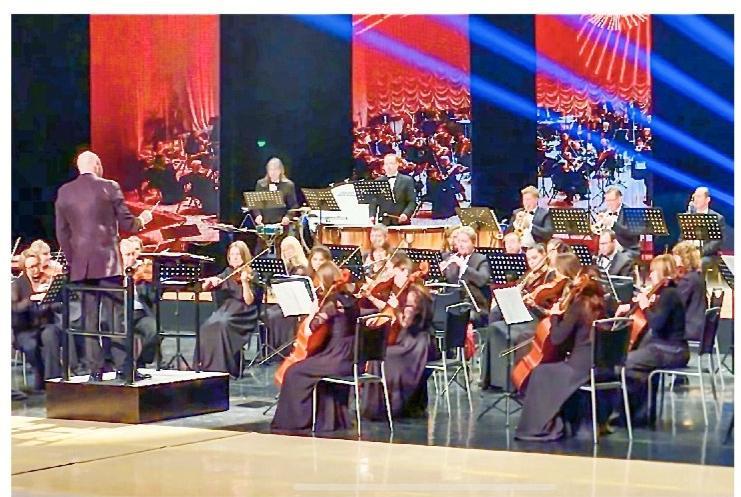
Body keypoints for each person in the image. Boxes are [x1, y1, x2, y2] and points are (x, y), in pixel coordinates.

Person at [55, 150, 153, 382]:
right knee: (116, 317)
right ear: (97, 165)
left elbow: (62, 233)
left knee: (89, 320)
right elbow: (127, 223)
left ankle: (95, 371)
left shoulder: (65, 191)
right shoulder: (110, 186)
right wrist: (143, 220)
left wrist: (74, 261)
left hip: (82, 267)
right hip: (108, 264)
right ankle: (124, 369)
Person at [515, 272, 606, 441]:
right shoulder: (601, 305)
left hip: (578, 369)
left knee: (540, 372)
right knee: (548, 370)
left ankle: (544, 427)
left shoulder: (578, 306)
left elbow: (557, 338)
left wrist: (555, 315)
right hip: (601, 366)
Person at [271, 261, 359, 432]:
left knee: (294, 372)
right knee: (304, 369)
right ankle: (328, 419)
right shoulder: (351, 299)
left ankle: (295, 421)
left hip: (335, 357)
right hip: (350, 357)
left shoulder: (331, 303)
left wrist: (312, 312)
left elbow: (311, 329)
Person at [480, 252, 580, 391]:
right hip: (540, 318)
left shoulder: (572, 290)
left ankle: (512, 383)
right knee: (495, 327)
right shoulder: (556, 283)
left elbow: (557, 315)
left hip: (545, 324)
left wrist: (537, 306)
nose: (554, 273)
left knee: (518, 334)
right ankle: (493, 380)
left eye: (557, 270)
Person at [619, 254, 688, 425]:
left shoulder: (669, 294)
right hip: (665, 348)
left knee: (625, 362)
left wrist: (644, 306)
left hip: (671, 350)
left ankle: (633, 414)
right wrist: (634, 305)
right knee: (638, 369)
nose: (650, 275)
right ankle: (640, 415)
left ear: (662, 272)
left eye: (653, 271)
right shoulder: (666, 292)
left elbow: (656, 325)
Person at [361, 283, 437, 420]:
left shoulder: (413, 296)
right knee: (381, 354)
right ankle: (382, 402)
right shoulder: (418, 294)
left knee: (382, 356)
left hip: (413, 346)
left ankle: (385, 404)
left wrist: (396, 308)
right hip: (417, 342)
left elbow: (405, 323)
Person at [197, 241, 259, 377]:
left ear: (244, 256)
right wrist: (210, 281)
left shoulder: (251, 274)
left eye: (238, 254)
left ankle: (223, 368)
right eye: (232, 254)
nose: (235, 257)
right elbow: (205, 287)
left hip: (244, 313)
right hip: (227, 309)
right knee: (206, 326)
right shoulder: (227, 272)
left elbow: (249, 301)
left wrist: (245, 282)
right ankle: (207, 366)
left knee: (222, 324)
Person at [11, 250, 63, 390]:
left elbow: (57, 305)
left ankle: (53, 379)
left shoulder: (46, 280)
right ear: (24, 268)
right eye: (30, 267)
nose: (35, 270)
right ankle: (40, 380)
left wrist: (48, 299)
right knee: (31, 345)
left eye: (36, 266)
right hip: (25, 328)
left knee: (50, 334)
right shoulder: (18, 284)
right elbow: (14, 309)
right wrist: (30, 300)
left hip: (44, 324)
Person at [265, 236, 310, 354]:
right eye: (284, 250)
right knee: (267, 313)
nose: (287, 252)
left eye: (289, 249)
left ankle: (283, 350)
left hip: (298, 304)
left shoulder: (302, 268)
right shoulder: (286, 267)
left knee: (273, 315)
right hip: (287, 302)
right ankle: (272, 349)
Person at [119, 239, 160, 367]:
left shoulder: (142, 271)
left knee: (155, 329)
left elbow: (153, 297)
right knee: (120, 334)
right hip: (120, 314)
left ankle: (142, 362)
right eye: (128, 255)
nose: (132, 258)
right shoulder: (113, 273)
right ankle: (122, 364)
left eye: (133, 254)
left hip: (139, 313)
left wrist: (146, 281)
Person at [440, 226, 491, 326]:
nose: (461, 245)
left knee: (459, 317)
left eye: (464, 241)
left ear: (473, 243)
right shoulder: (451, 259)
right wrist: (443, 272)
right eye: (459, 241)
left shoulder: (481, 259)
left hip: (473, 306)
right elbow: (449, 283)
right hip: (453, 303)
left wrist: (463, 266)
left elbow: (482, 280)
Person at [368, 154, 417, 226]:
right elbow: (374, 201)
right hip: (383, 222)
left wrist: (405, 214)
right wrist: (372, 216)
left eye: (391, 163)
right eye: (386, 164)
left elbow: (412, 201)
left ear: (397, 164)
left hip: (401, 222)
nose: (388, 166)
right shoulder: (378, 181)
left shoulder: (407, 180)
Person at [685, 186, 726, 271]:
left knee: (700, 263)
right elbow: (682, 237)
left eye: (699, 196)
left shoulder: (717, 218)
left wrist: (699, 252)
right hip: (689, 252)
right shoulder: (689, 216)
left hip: (708, 254)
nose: (696, 199)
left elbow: (716, 242)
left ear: (707, 200)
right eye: (694, 196)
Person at [672, 241, 707, 341]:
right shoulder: (697, 276)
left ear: (684, 259)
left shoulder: (688, 280)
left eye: (676, 257)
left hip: (689, 329)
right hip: (698, 326)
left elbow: (676, 306)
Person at [253, 157, 298, 227]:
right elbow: (256, 204)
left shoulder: (288, 185)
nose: (273, 172)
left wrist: (288, 217)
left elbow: (294, 206)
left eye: (275, 169)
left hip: (281, 225)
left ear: (281, 170)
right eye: (271, 169)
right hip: (263, 224)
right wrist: (258, 215)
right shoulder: (261, 184)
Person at [600, 186, 640, 260]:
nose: (609, 204)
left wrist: (613, 224)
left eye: (611, 200)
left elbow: (633, 234)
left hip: (626, 249)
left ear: (619, 199)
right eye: (607, 201)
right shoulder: (603, 212)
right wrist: (599, 226)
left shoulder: (630, 212)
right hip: (607, 250)